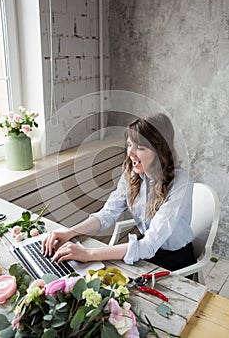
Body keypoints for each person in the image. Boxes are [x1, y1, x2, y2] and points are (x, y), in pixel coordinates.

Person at [42, 113, 196, 272]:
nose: (130, 153)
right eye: (130, 145)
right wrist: (69, 233)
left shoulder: (181, 183)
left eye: (141, 148)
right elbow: (107, 214)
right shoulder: (132, 174)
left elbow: (149, 244)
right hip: (144, 251)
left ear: (160, 151)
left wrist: (87, 253)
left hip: (174, 259)